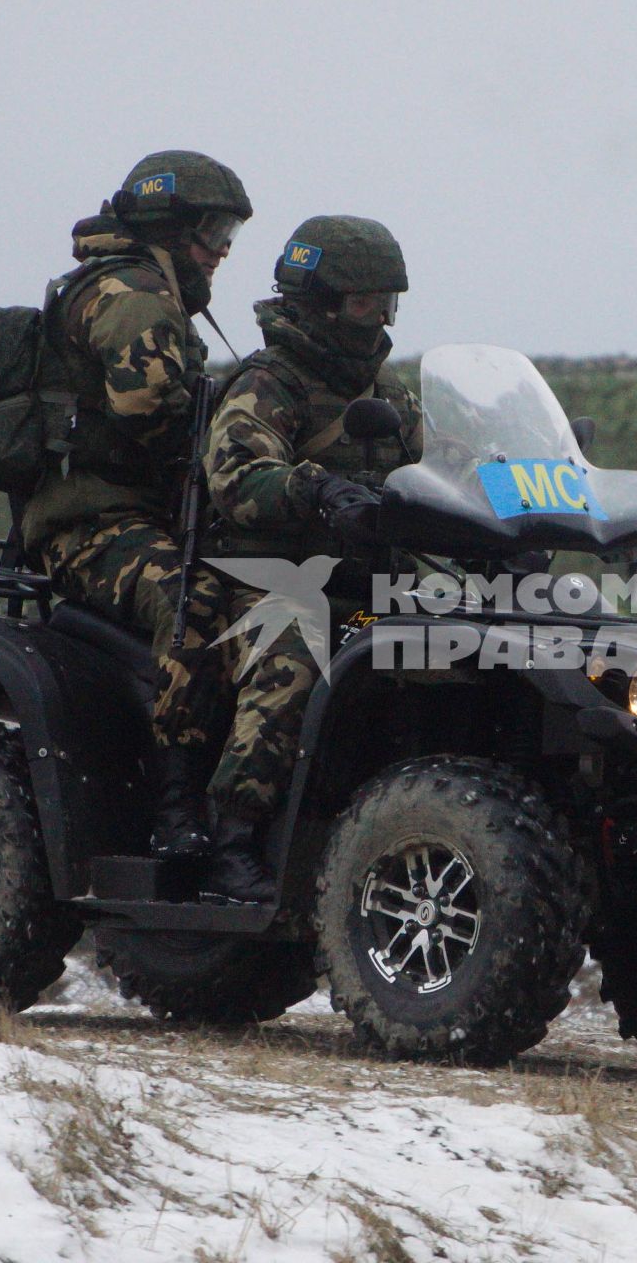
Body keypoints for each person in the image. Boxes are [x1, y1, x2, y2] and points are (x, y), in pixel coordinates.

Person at [20, 150, 252, 860]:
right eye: (211, 233)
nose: (219, 253)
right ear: (168, 227)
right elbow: (154, 412)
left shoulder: (153, 293)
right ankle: (174, 805)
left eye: (227, 237)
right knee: (195, 601)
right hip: (92, 528)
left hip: (142, 517)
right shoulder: (131, 295)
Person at [199, 215, 421, 905]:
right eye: (364, 303)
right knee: (294, 652)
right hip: (268, 578)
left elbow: (438, 470)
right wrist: (314, 487)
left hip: (370, 582)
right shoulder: (268, 383)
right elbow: (237, 481)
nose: (378, 318)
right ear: (320, 301)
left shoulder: (389, 393)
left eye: (388, 304)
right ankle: (232, 839)